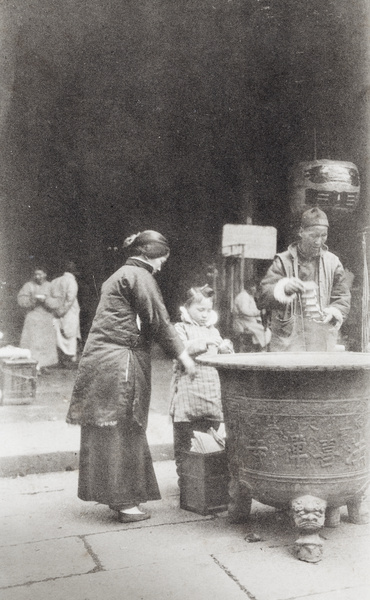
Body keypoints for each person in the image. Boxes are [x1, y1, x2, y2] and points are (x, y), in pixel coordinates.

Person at [66, 230, 195, 523]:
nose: (163, 264)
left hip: (103, 360)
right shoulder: (140, 276)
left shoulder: (121, 275)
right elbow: (158, 320)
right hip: (120, 361)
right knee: (123, 425)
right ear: (150, 252)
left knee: (108, 426)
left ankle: (120, 498)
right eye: (162, 257)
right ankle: (124, 502)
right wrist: (183, 355)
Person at [257, 207, 351, 352]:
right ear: (301, 232)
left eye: (323, 235)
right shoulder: (282, 261)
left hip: (321, 341)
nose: (318, 241)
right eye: (313, 235)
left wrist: (333, 312)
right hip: (287, 343)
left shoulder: (333, 263)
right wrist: (284, 289)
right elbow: (262, 296)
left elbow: (342, 297)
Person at [169, 284, 233, 478]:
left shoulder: (213, 331)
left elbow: (221, 355)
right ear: (187, 308)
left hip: (211, 396)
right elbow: (178, 348)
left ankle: (210, 482)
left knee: (212, 442)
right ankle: (187, 481)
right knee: (186, 443)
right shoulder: (180, 328)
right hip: (188, 398)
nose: (205, 314)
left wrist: (225, 349)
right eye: (200, 310)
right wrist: (202, 344)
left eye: (208, 310)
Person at [17, 267, 58, 370]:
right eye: (36, 274)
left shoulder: (51, 286)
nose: (38, 277)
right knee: (32, 342)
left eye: (40, 274)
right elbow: (21, 300)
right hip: (32, 318)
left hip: (46, 319)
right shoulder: (28, 286)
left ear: (45, 274)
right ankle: (32, 365)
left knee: (46, 343)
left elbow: (58, 301)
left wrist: (46, 300)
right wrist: (33, 299)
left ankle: (44, 365)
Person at [49, 261, 81, 367]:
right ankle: (69, 359)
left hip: (56, 311)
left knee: (58, 334)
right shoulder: (71, 281)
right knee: (69, 335)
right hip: (68, 311)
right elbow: (70, 298)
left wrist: (56, 310)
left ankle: (60, 359)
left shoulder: (54, 281)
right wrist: (62, 311)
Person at [232, 281, 271, 351]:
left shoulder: (249, 296)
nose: (255, 289)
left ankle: (260, 348)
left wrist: (259, 316)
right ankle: (261, 349)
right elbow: (244, 311)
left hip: (248, 322)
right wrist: (258, 313)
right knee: (266, 331)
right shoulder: (243, 296)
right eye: (254, 287)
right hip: (242, 322)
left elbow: (253, 310)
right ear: (249, 287)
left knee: (266, 329)